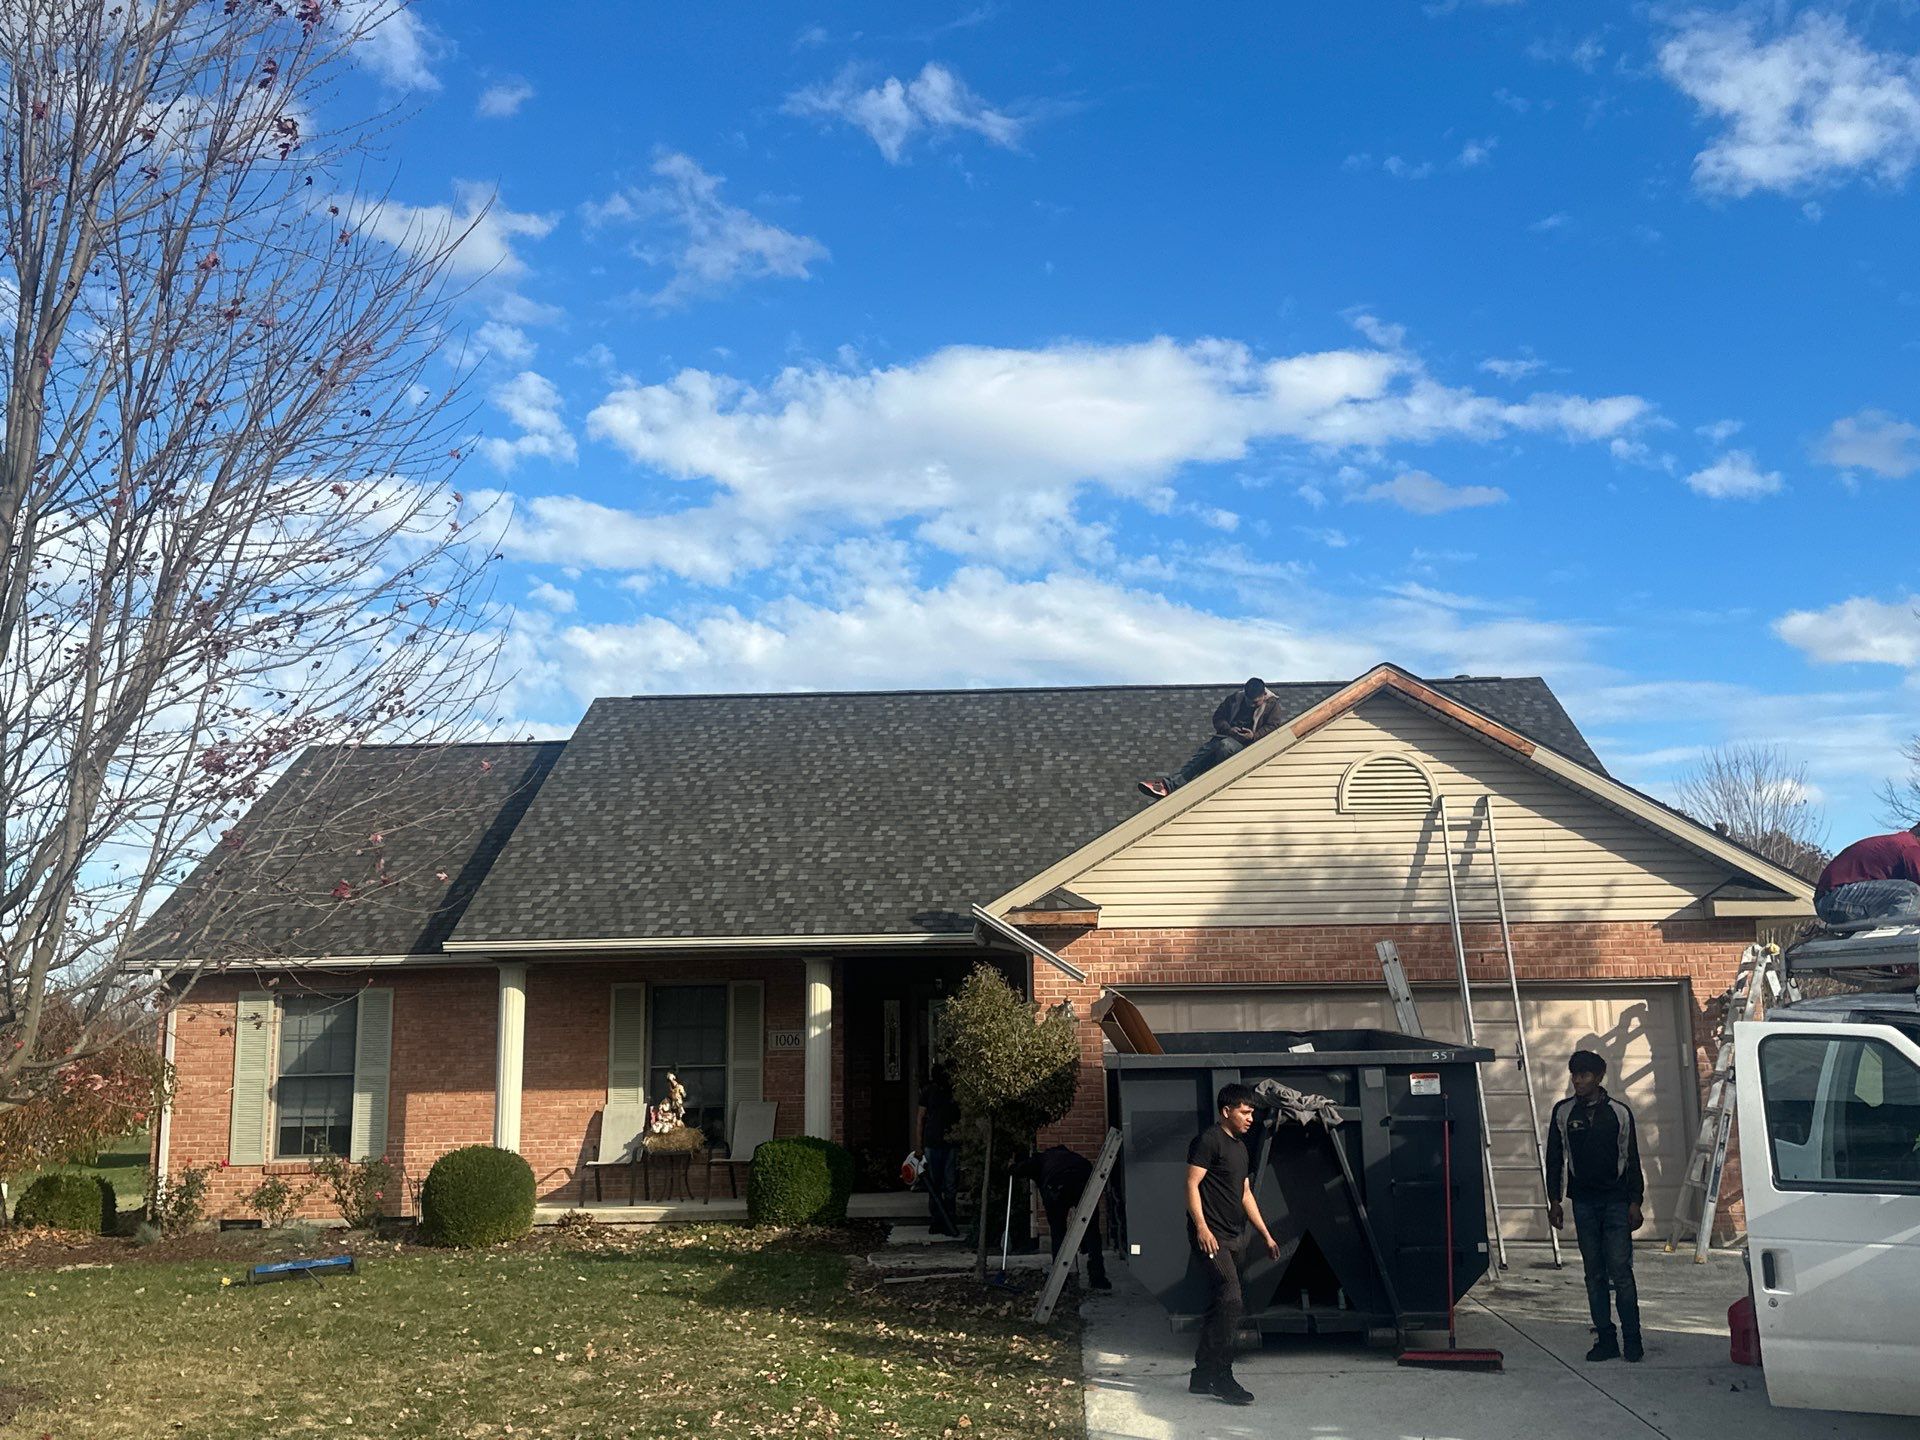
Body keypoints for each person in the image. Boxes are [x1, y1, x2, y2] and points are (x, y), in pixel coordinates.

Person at [1546, 1050, 1645, 1363]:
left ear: (1599, 1077)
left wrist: (1635, 1201)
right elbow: (1554, 1158)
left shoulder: (1619, 1112)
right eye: (1574, 1074)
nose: (1578, 1080)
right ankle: (1606, 1338)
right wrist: (1554, 1200)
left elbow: (1631, 1159)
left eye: (1584, 1075)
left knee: (1621, 1271)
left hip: (1616, 1202)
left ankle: (1633, 1339)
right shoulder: (1563, 1113)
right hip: (1584, 1203)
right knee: (1594, 1274)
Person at [1185, 1082, 1281, 1406]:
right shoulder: (1208, 1140)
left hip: (1235, 1235)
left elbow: (1245, 1194)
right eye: (1244, 1111)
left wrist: (1266, 1234)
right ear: (1226, 1111)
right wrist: (1201, 1227)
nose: (1250, 1117)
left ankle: (1200, 1376)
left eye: (1252, 1112)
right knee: (1232, 1298)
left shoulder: (1240, 1148)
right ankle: (1221, 1376)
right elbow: (1191, 1184)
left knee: (1220, 1304)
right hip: (1212, 1236)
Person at [1138, 678, 1282, 799]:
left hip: (1249, 747)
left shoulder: (1272, 705)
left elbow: (1274, 727)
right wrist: (1230, 729)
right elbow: (1218, 718)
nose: (1251, 705)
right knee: (1205, 754)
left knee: (1224, 746)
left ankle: (1179, 785)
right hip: (1226, 738)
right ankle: (1169, 786)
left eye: (1255, 703)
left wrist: (1253, 736)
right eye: (1249, 701)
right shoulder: (1234, 699)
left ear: (1264, 695)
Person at [1010, 1145, 1111, 1291]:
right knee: (1092, 1229)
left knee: (1058, 1233)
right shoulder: (1073, 1157)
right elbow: (1089, 1168)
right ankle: (1098, 1278)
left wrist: (1011, 1168)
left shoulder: (1041, 1158)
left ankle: (1060, 1280)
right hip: (1083, 1181)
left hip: (1056, 1186)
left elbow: (1021, 1170)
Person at [1814, 823, 1920, 928]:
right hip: (1833, 898)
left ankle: (1885, 932)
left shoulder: (1900, 842)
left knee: (1904, 903)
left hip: (1835, 900)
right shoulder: (1910, 846)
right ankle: (1896, 940)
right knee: (1911, 892)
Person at [917, 1065, 961, 1237]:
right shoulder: (928, 1092)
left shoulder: (954, 1092)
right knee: (935, 1184)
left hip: (950, 1143)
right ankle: (937, 1220)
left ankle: (949, 1218)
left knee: (949, 1183)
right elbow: (920, 1119)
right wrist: (918, 1146)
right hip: (933, 1142)